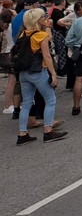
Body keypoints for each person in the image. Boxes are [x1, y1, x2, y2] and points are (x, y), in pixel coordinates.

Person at [14, 9, 67, 144]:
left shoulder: (22, 35)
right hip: (38, 71)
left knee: (26, 103)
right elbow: (47, 56)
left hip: (23, 72)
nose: (46, 18)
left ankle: (22, 133)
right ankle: (48, 131)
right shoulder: (41, 35)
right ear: (38, 20)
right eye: (43, 17)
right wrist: (53, 74)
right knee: (50, 99)